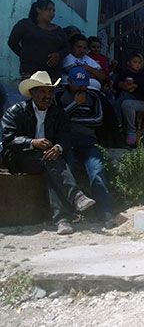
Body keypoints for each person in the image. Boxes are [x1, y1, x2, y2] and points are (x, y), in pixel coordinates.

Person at [1, 71, 96, 234]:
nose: (47, 96)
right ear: (32, 93)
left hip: (46, 158)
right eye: (42, 92)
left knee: (51, 165)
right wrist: (32, 142)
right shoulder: (16, 111)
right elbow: (8, 140)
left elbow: (65, 137)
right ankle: (75, 200)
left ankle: (63, 220)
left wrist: (58, 147)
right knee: (50, 161)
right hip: (18, 158)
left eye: (50, 91)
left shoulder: (57, 113)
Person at [55, 67, 114, 228]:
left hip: (88, 140)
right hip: (67, 141)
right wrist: (75, 104)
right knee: (68, 172)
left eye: (84, 85)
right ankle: (68, 215)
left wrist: (72, 121)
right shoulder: (59, 94)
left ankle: (105, 212)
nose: (82, 88)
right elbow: (57, 119)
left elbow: (98, 120)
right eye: (78, 85)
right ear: (70, 82)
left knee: (97, 172)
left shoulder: (94, 96)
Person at [7, 0, 69, 81]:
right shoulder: (26, 24)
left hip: (52, 73)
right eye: (48, 10)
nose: (52, 13)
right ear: (38, 10)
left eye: (53, 11)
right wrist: (25, 55)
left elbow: (67, 47)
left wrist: (59, 55)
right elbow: (12, 42)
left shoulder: (58, 30)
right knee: (31, 92)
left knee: (48, 94)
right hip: (30, 71)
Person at [114, 52, 144, 146]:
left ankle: (129, 130)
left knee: (126, 103)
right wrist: (122, 85)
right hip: (124, 98)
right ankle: (118, 126)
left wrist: (135, 86)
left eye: (139, 62)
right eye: (135, 62)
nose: (137, 65)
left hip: (143, 102)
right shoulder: (124, 73)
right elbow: (116, 84)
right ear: (129, 63)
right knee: (122, 99)